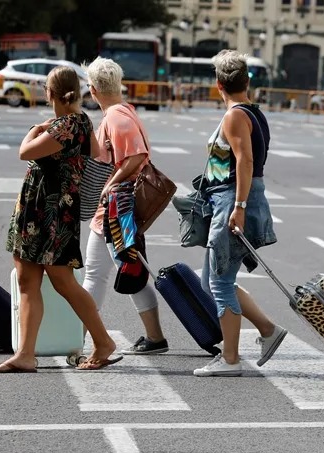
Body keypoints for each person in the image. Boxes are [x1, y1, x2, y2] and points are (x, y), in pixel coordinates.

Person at [0, 66, 120, 373]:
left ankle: (102, 341)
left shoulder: (65, 126)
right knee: (31, 280)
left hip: (47, 210)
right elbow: (96, 151)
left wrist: (35, 130)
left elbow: (25, 152)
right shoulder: (81, 122)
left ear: (50, 93)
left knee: (55, 281)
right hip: (54, 209)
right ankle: (26, 353)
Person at [192, 50, 287, 377]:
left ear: (218, 85)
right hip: (232, 199)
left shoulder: (235, 116)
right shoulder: (253, 112)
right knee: (212, 279)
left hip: (234, 201)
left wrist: (239, 207)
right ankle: (268, 330)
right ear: (247, 81)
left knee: (219, 282)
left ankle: (231, 359)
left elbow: (245, 161)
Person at [83, 57, 170, 355]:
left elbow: (136, 156)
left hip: (117, 209)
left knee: (106, 273)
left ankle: (77, 336)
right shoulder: (122, 112)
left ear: (93, 90)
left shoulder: (116, 117)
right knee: (126, 271)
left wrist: (108, 185)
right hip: (114, 209)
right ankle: (154, 337)